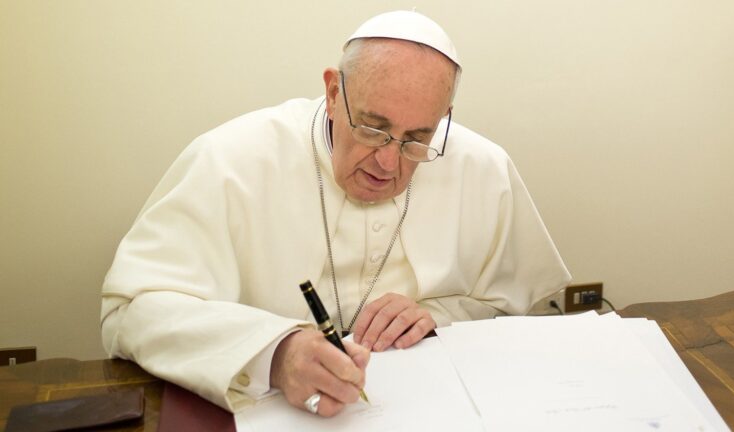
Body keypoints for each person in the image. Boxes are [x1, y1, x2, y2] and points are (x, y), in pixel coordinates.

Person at [100, 10, 571, 417]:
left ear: (444, 118)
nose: (389, 164)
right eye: (372, 128)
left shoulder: (483, 167)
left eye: (417, 139)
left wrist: (441, 315)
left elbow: (519, 310)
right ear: (331, 92)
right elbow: (131, 314)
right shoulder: (231, 161)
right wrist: (274, 352)